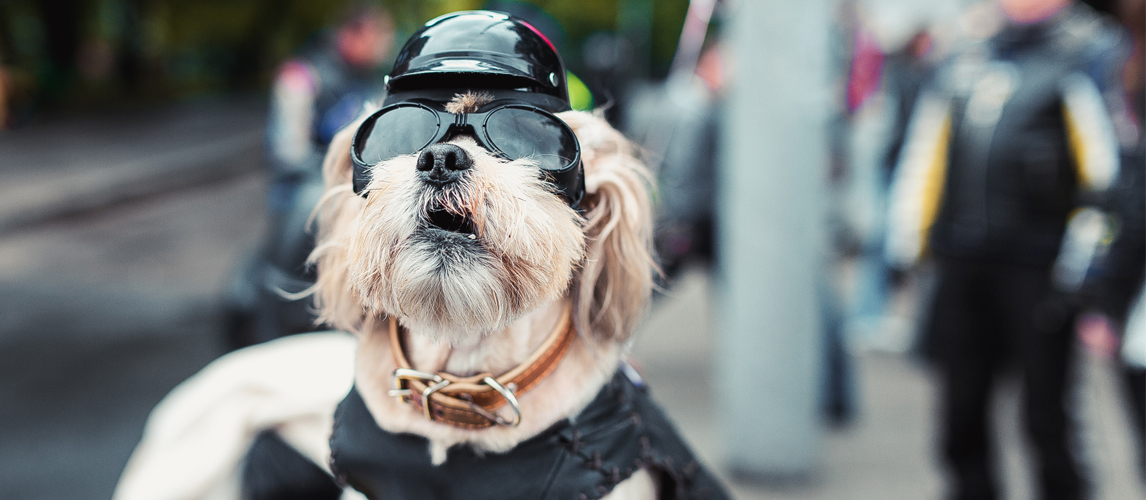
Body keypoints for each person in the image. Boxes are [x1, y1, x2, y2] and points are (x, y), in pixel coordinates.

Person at [884, 0, 1130, 498]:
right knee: (960, 409)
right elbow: (926, 152)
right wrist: (907, 243)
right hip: (963, 259)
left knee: (1047, 417)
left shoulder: (1082, 55)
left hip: (1038, 263)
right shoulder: (966, 57)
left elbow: (1105, 178)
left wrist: (1083, 269)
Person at [226, 5, 394, 349]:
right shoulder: (300, 77)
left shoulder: (369, 81)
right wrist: (338, 175)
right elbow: (289, 151)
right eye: (379, 37)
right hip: (302, 192)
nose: (384, 46)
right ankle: (271, 332)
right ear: (354, 33)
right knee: (292, 249)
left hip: (344, 189)